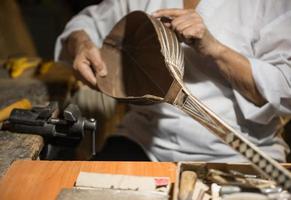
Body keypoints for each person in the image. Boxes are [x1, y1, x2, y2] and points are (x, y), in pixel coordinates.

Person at [55, 0, 291, 162]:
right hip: (145, 140)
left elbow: (285, 88)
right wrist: (81, 44)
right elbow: (85, 24)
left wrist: (216, 49)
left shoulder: (273, 6)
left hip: (238, 151)